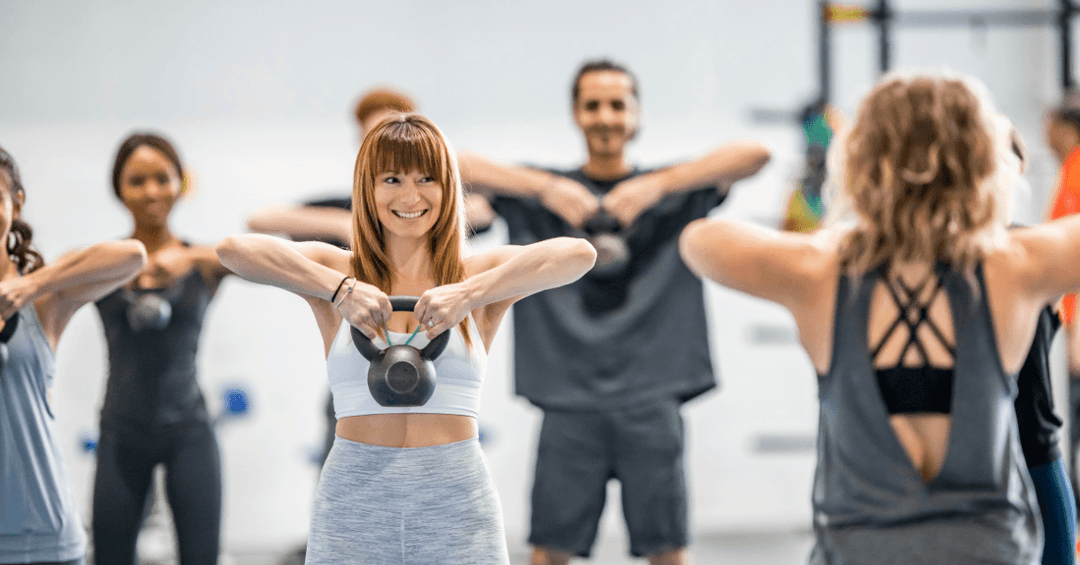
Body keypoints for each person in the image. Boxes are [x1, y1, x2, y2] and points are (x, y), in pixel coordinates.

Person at [679, 72, 1060, 563]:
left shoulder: (820, 272)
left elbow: (698, 240)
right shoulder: (1015, 266)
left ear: (863, 163)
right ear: (981, 162)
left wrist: (840, 240)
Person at [216, 113, 595, 564]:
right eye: (392, 179)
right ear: (368, 190)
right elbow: (233, 251)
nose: (410, 195)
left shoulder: (476, 279)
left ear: (447, 187)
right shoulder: (337, 273)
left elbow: (580, 254)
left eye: (426, 178)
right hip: (354, 498)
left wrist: (469, 293)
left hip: (456, 498)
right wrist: (340, 291)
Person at [458, 59, 771, 565]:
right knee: (549, 551)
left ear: (636, 114)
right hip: (567, 397)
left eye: (617, 104)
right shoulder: (542, 196)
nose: (605, 116)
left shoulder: (670, 194)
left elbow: (756, 153)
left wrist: (657, 186)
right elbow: (455, 163)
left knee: (667, 550)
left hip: (651, 395)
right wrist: (545, 188)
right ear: (576, 115)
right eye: (593, 104)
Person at [91, 132, 234, 565]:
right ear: (119, 189)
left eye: (162, 178)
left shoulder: (206, 262)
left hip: (188, 430)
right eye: (137, 180)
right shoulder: (103, 264)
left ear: (181, 183)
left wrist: (190, 258)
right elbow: (45, 279)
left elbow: (265, 260)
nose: (151, 191)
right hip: (121, 431)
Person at [0, 145, 147, 565]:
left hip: (46, 536)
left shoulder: (45, 298)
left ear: (16, 202)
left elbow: (131, 256)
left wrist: (32, 284)